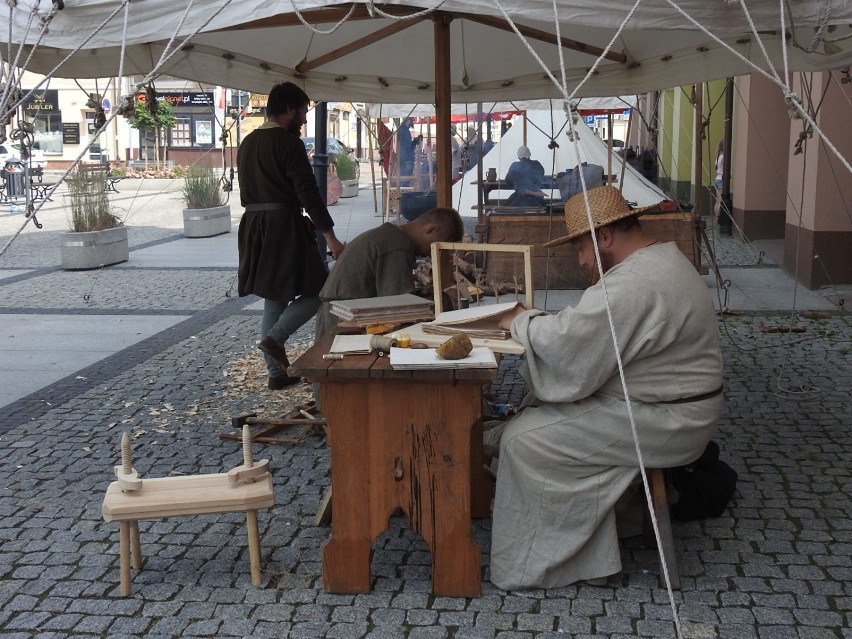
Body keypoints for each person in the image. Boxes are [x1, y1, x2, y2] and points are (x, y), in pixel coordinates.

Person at [487, 185, 723, 590]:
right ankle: (593, 543)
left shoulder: (633, 281)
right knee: (531, 414)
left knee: (521, 439)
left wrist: (522, 321)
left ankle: (570, 560)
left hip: (667, 420)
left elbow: (571, 343)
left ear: (605, 237)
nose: (580, 260)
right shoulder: (660, 259)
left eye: (580, 247)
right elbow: (589, 335)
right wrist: (540, 321)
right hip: (670, 410)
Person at [237, 81, 345, 390]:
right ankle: (275, 339)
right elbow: (309, 196)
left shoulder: (247, 142)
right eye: (301, 112)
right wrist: (331, 239)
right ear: (288, 109)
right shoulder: (288, 143)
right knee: (320, 289)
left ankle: (276, 374)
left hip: (255, 226)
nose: (304, 119)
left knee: (275, 298)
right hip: (282, 226)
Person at [315, 207, 464, 338]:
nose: (430, 254)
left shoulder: (391, 235)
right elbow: (400, 305)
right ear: (432, 230)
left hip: (342, 315)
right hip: (342, 322)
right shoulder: (397, 246)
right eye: (437, 246)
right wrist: (443, 300)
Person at [713, 140, 724, 224]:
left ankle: (715, 219)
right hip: (721, 179)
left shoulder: (718, 157)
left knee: (717, 201)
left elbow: (716, 168)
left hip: (717, 179)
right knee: (720, 202)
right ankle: (717, 220)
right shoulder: (723, 157)